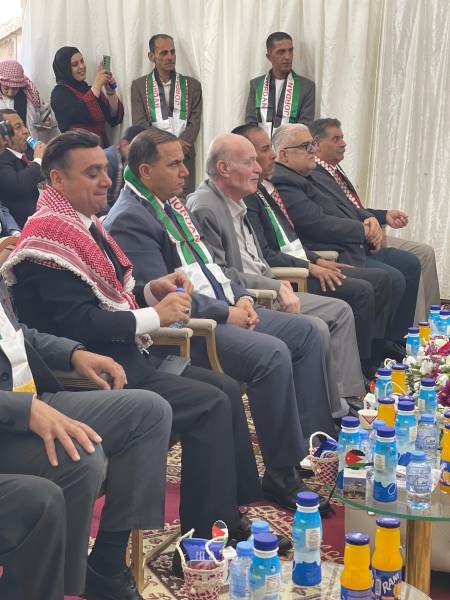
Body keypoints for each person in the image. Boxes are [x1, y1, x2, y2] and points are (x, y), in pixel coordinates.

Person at [1, 130, 263, 550]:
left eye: (106, 170)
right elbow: (79, 323)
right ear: (57, 180)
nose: (106, 181)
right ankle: (203, 538)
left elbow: (107, 297)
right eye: (92, 173)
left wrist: (149, 292)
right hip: (96, 371)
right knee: (211, 403)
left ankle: (225, 516)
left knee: (226, 390)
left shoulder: (82, 226)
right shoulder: (47, 239)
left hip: (123, 356)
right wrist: (154, 316)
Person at [104, 127, 335, 513]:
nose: (185, 171)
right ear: (145, 171)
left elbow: (212, 270)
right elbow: (167, 298)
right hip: (189, 329)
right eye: (175, 164)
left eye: (184, 162)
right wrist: (227, 312)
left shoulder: (170, 207)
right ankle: (281, 473)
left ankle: (310, 448)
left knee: (306, 332)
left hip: (225, 307)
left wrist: (242, 298)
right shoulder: (131, 218)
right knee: (272, 354)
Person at [0, 276, 171, 600]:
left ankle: (107, 564)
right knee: (81, 455)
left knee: (150, 411)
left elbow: (15, 334)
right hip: (12, 416)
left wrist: (74, 354)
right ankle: (63, 584)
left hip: (34, 397)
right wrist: (22, 410)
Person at [187, 132, 365, 414]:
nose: (258, 168)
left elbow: (261, 257)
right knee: (317, 326)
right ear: (223, 168)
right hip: (249, 298)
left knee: (338, 311)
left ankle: (344, 402)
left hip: (266, 286)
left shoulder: (238, 199)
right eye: (250, 162)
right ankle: (335, 410)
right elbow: (219, 275)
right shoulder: (206, 207)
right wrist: (271, 286)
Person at [234, 123, 392, 375]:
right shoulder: (252, 195)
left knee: (380, 280)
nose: (272, 155)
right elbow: (267, 253)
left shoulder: (264, 188)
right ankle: (361, 369)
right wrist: (310, 267)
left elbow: (289, 240)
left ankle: (366, 361)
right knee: (363, 290)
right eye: (264, 150)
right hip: (289, 275)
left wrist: (316, 260)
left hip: (302, 263)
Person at [270, 123, 421, 350]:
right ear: (284, 154)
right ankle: (372, 354)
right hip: (330, 250)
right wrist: (363, 230)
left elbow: (342, 206)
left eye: (312, 144)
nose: (313, 150)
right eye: (306, 146)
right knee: (385, 279)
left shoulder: (306, 175)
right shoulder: (286, 181)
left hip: (338, 248)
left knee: (407, 265)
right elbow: (316, 224)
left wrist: (369, 218)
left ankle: (392, 343)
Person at [310, 117, 440, 323]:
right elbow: (334, 218)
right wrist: (369, 227)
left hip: (365, 233)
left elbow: (352, 209)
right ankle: (416, 328)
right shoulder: (314, 174)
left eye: (342, 138)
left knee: (423, 254)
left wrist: (382, 216)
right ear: (316, 144)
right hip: (352, 242)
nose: (344, 143)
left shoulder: (333, 170)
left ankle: (430, 324)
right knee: (413, 261)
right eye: (336, 139)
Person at [131, 34, 202, 195]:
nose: (170, 57)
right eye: (163, 53)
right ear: (151, 56)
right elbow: (140, 123)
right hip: (154, 155)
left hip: (184, 155)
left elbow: (195, 121)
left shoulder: (192, 85)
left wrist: (180, 145)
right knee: (157, 200)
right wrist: (168, 146)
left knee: (183, 201)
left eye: (172, 52)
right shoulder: (139, 86)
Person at [51, 46, 124, 147]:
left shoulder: (89, 90)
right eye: (75, 64)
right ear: (65, 68)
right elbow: (82, 112)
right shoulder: (59, 93)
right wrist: (97, 85)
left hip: (101, 149)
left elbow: (113, 118)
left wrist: (111, 93)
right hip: (78, 150)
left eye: (82, 61)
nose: (81, 66)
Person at [245, 31, 315, 136]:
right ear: (269, 56)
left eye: (290, 51)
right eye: (281, 52)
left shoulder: (306, 87)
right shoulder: (256, 85)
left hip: (292, 144)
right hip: (261, 145)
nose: (288, 56)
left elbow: (305, 127)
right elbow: (251, 124)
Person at [0, 108, 45, 227]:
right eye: (18, 127)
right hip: (21, 227)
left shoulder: (27, 153)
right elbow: (20, 185)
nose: (26, 131)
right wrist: (38, 160)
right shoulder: (2, 157)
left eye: (24, 125)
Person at [0, 58, 57, 142]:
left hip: (27, 143)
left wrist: (46, 121)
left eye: (15, 89)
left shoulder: (30, 97)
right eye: (6, 88)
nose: (10, 93)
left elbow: (43, 114)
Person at [105, 125, 145, 209]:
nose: (139, 156)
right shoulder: (110, 159)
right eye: (137, 150)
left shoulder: (120, 159)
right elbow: (102, 198)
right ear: (124, 144)